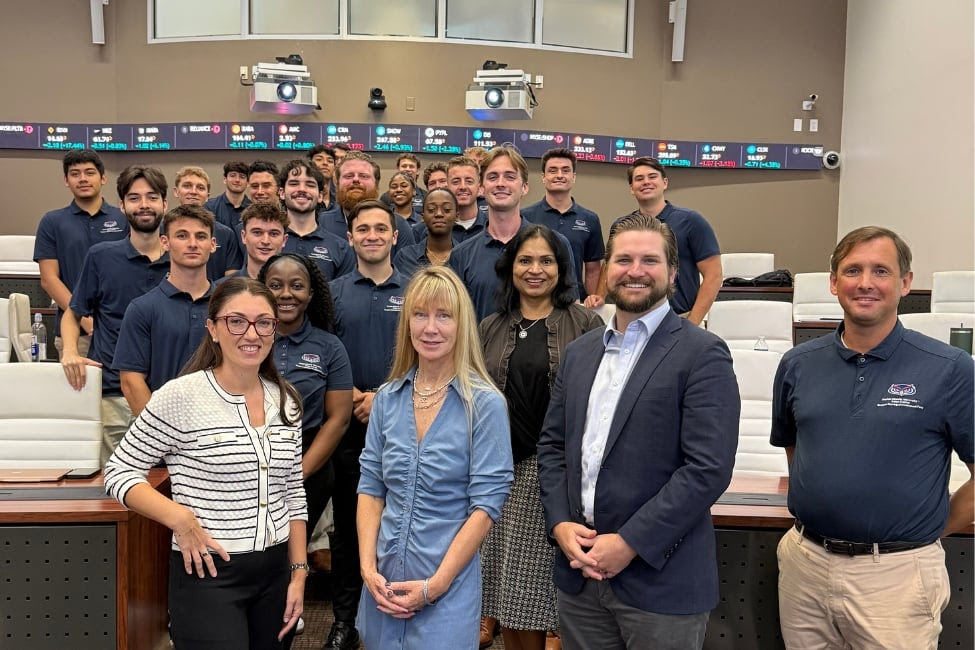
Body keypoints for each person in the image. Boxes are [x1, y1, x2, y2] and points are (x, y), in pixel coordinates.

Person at [537, 213, 739, 649]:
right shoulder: (580, 352)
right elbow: (552, 447)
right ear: (607, 268)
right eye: (623, 259)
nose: (635, 271)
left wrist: (629, 542)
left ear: (672, 272)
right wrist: (559, 525)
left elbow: (707, 469)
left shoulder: (703, 353)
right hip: (580, 572)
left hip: (660, 579)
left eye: (650, 260)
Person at [771, 226, 974, 650]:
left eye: (880, 271)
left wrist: (932, 532)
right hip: (805, 564)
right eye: (852, 270)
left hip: (897, 577)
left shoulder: (950, 369)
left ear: (905, 283)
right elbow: (797, 451)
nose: (865, 283)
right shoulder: (797, 364)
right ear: (833, 282)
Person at [104, 278, 308, 649]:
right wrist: (179, 519)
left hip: (276, 575)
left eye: (264, 322)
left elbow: (294, 493)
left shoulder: (286, 401)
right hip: (208, 573)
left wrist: (299, 572)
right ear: (213, 329)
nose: (252, 333)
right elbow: (119, 472)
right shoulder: (181, 396)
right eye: (236, 321)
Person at [356, 265, 514, 648]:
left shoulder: (485, 404)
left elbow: (486, 505)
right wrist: (366, 568)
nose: (430, 328)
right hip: (383, 584)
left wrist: (436, 585)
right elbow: (372, 489)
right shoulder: (388, 399)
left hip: (447, 585)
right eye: (420, 314)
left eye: (444, 316)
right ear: (406, 322)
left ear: (462, 325)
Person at [480, 225, 603, 650]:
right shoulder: (490, 327)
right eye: (525, 260)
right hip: (499, 476)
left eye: (546, 261)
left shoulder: (586, 323)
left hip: (554, 476)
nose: (535, 270)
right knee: (507, 596)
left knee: (543, 597)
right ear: (510, 267)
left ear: (561, 267)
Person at [325, 198, 409, 649]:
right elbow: (321, 356)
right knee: (348, 528)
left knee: (400, 524)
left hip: (405, 425)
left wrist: (383, 397)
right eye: (364, 229)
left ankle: (394, 611)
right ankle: (344, 621)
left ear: (395, 236)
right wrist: (355, 397)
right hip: (347, 427)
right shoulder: (333, 292)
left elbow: (431, 352)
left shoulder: (415, 289)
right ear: (351, 236)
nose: (373, 235)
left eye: (382, 228)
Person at [60, 165, 171, 463]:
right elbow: (73, 313)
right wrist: (69, 351)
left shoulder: (184, 260)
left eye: (152, 197)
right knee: (115, 492)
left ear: (165, 204)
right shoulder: (101, 256)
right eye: (134, 198)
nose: (144, 205)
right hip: (113, 394)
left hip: (170, 396)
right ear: (122, 206)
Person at [259, 254, 353, 558]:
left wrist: (299, 473)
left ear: (310, 294)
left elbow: (338, 419)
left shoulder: (329, 346)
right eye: (275, 285)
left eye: (297, 286)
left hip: (308, 464)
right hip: (251, 457)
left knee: (290, 552)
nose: (286, 294)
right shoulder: (247, 338)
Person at [587, 157, 721, 326]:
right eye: (639, 179)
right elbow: (609, 265)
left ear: (664, 182)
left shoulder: (691, 222)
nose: (646, 182)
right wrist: (600, 296)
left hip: (681, 319)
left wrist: (692, 322)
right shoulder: (622, 226)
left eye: (652, 176)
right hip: (631, 321)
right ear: (631, 188)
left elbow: (714, 276)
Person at [449, 146, 577, 321]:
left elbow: (570, 312)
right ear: (481, 188)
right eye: (493, 177)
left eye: (510, 177)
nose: (501, 183)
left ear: (524, 187)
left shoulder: (557, 245)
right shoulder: (461, 255)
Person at [114, 205, 216, 417]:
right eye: (182, 235)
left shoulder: (229, 307)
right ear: (164, 242)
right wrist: (160, 435)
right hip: (160, 433)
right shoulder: (142, 309)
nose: (192, 244)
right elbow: (131, 381)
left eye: (201, 236)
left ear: (212, 245)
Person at [34, 149, 127, 358]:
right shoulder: (52, 222)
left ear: (103, 178)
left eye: (89, 172)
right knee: (77, 390)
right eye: (75, 174)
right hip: (74, 335)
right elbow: (49, 280)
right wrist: (83, 318)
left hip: (121, 332)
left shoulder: (124, 219)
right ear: (66, 180)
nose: (83, 179)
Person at [522, 148, 604, 301]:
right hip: (533, 300)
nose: (559, 175)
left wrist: (593, 300)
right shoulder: (525, 216)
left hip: (574, 301)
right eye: (552, 171)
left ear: (573, 177)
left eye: (565, 171)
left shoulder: (590, 219)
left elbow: (593, 270)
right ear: (543, 177)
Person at [277, 159, 355, 281]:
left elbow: (343, 297)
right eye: (294, 183)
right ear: (281, 193)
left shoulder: (341, 248)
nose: (302, 189)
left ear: (320, 196)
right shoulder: (266, 241)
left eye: (310, 184)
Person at [335, 152, 416, 258]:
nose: (355, 180)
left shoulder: (398, 225)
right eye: (348, 176)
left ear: (377, 185)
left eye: (363, 176)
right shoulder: (321, 223)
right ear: (337, 183)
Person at [171, 166, 243, 281]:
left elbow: (231, 279)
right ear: (176, 191)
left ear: (207, 196)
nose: (193, 192)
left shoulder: (226, 234)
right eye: (187, 186)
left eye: (200, 188)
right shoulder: (162, 229)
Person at [413, 156, 487, 244]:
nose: (462, 187)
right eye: (456, 182)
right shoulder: (422, 231)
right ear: (447, 187)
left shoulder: (493, 227)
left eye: (469, 181)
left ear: (479, 188)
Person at [394, 188, 458, 278]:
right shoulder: (405, 257)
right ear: (423, 217)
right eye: (431, 210)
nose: (439, 214)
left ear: (457, 216)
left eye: (446, 209)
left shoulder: (466, 257)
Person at [233, 202, 289, 280]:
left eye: (273, 234)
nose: (265, 241)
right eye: (257, 232)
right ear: (244, 236)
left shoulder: (294, 290)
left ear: (284, 240)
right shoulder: (223, 289)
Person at [205, 161, 251, 229]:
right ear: (225, 180)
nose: (237, 180)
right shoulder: (209, 207)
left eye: (242, 177)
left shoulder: (253, 209)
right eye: (233, 175)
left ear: (248, 183)